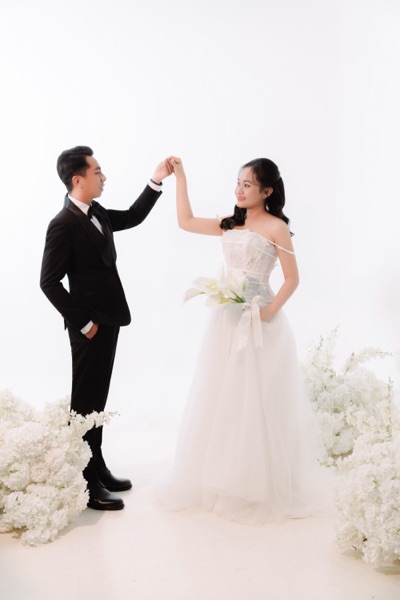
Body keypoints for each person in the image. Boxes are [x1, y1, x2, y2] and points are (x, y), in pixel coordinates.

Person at [158, 156, 320, 524]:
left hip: (261, 323)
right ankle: (219, 478)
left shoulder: (277, 227)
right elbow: (185, 221)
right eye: (238, 182)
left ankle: (258, 482)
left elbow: (292, 278)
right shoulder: (231, 223)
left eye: (248, 184)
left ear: (267, 191)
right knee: (222, 396)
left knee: (256, 400)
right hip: (227, 321)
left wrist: (269, 311)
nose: (239, 190)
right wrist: (181, 177)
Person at [40, 146, 171, 511]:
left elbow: (132, 216)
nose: (104, 177)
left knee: (97, 402)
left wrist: (156, 180)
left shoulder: (95, 211)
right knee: (84, 405)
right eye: (98, 171)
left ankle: (96, 467)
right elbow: (48, 282)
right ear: (77, 179)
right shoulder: (63, 223)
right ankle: (85, 482)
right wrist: (85, 324)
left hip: (109, 320)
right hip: (89, 327)